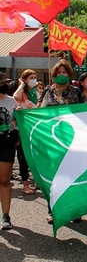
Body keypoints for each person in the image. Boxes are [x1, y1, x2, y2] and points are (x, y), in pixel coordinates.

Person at [38, 59, 85, 224]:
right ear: (54, 75)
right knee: (54, 176)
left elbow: (86, 111)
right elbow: (38, 112)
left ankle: (75, 209)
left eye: (64, 72)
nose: (61, 75)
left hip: (72, 140)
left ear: (69, 74)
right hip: (52, 140)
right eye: (58, 73)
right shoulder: (47, 92)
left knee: (73, 175)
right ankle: (52, 210)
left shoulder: (76, 92)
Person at [12, 69, 38, 195]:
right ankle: (25, 184)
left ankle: (38, 180)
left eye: (35, 77)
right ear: (24, 79)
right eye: (31, 77)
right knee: (23, 157)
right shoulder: (21, 92)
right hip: (21, 130)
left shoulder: (35, 92)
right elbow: (15, 97)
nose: (34, 79)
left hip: (33, 130)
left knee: (35, 156)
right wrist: (21, 85)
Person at [0, 72, 19, 230]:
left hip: (6, 144)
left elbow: (16, 121)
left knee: (4, 180)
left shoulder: (11, 101)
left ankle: (6, 215)